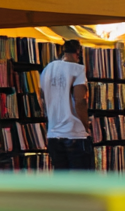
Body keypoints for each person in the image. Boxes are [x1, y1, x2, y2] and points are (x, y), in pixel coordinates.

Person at [39, 39, 93, 170]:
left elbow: (42, 97)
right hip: (74, 132)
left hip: (53, 134)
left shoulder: (47, 69)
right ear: (77, 53)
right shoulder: (78, 69)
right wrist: (86, 126)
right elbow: (80, 101)